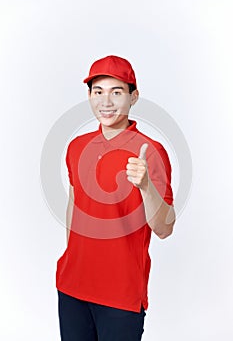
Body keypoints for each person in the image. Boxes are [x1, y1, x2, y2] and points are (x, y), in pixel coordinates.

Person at [56, 55, 176, 341]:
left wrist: (146, 185)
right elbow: (75, 206)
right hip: (71, 288)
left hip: (120, 295)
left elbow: (165, 228)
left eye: (117, 92)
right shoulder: (76, 146)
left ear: (134, 97)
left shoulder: (151, 151)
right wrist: (71, 258)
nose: (106, 101)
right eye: (98, 92)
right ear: (89, 96)